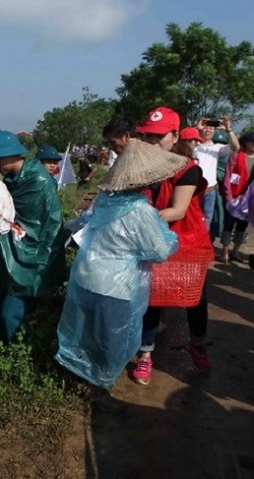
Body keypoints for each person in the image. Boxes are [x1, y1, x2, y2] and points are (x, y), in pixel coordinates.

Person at [56, 139, 180, 406]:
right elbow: (159, 251)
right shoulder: (142, 211)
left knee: (86, 331)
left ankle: (84, 375)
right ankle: (100, 389)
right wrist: (170, 237)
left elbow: (86, 227)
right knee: (112, 339)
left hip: (86, 276)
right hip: (115, 286)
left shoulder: (104, 200)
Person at [131, 106, 214, 385]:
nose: (152, 143)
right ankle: (145, 355)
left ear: (175, 135)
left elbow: (177, 210)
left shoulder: (188, 169)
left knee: (194, 299)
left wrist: (136, 219)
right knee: (151, 298)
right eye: (148, 137)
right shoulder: (142, 167)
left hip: (187, 242)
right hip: (154, 241)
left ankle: (197, 343)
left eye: (159, 137)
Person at [0, 131, 66, 358]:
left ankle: (15, 357)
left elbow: (34, 226)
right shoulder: (11, 180)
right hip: (9, 252)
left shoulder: (38, 181)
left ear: (8, 156)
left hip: (28, 254)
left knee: (11, 311)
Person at [194, 116, 239, 226]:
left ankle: (202, 242)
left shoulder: (218, 148)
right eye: (205, 126)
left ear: (215, 131)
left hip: (210, 190)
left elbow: (235, 147)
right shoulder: (193, 145)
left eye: (211, 128)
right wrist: (196, 128)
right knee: (192, 217)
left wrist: (229, 129)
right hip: (193, 190)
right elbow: (180, 144)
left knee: (207, 218)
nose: (208, 129)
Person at [219, 132, 254, 263]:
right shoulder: (236, 156)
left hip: (248, 199)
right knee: (228, 224)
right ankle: (225, 252)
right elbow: (227, 177)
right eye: (252, 141)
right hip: (233, 197)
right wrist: (228, 196)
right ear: (246, 142)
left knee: (242, 226)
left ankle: (235, 251)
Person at [210, 129, 230, 241]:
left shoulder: (227, 154)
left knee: (217, 213)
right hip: (213, 186)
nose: (219, 145)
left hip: (221, 187)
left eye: (221, 143)